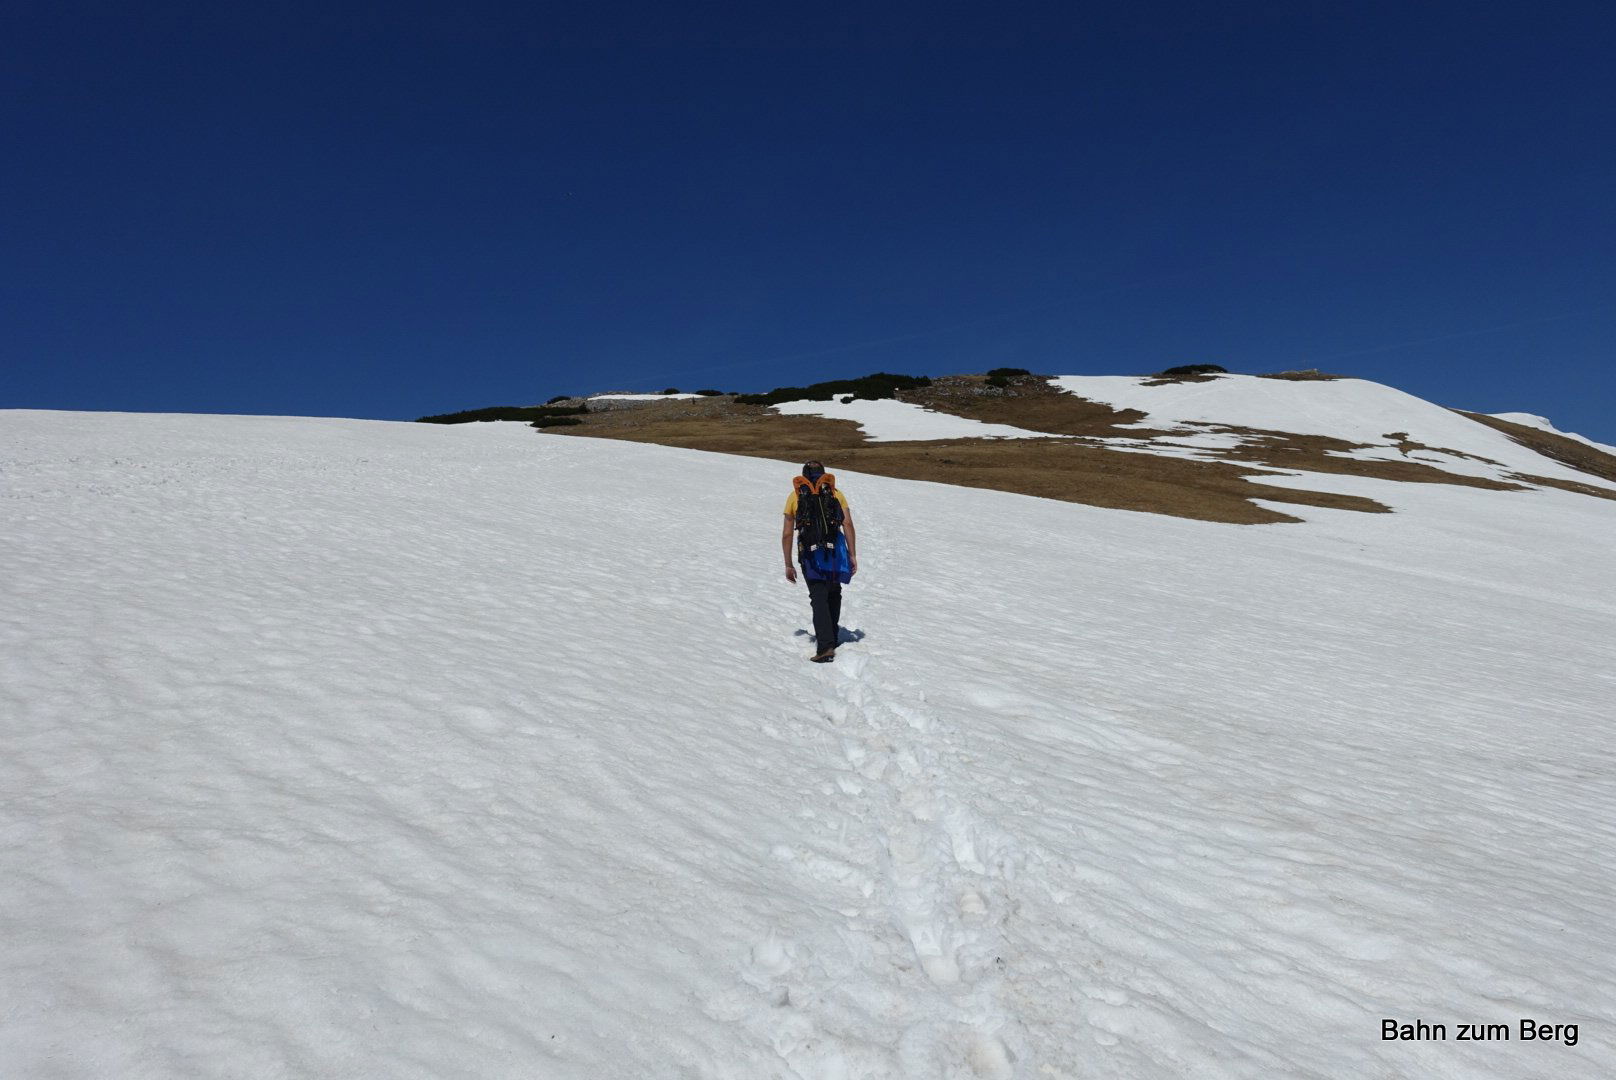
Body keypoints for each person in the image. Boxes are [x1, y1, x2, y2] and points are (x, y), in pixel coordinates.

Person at [782, 460, 858, 662]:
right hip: (835, 552)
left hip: (809, 552)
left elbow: (787, 534)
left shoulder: (795, 496)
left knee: (818, 595)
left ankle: (825, 646)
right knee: (834, 592)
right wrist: (852, 554)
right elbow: (848, 524)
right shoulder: (835, 493)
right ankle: (831, 637)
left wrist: (788, 563)